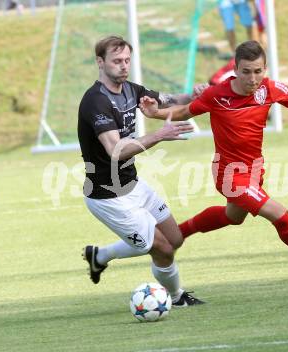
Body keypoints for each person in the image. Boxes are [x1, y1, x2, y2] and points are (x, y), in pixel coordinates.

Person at [139, 40, 288, 278]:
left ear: (264, 69)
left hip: (253, 171)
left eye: (258, 71)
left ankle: (173, 235)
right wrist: (156, 113)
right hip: (230, 175)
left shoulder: (270, 89)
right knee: (280, 216)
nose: (252, 79)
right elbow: (184, 111)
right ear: (235, 69)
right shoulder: (217, 94)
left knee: (232, 217)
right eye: (246, 72)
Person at [78, 35, 205, 306]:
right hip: (107, 196)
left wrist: (195, 95)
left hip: (132, 184)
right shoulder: (95, 102)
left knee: (175, 238)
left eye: (127, 60)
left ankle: (99, 256)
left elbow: (168, 100)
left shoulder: (130, 90)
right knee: (163, 249)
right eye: (116, 61)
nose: (124, 66)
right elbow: (115, 150)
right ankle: (176, 296)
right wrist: (159, 135)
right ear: (100, 62)